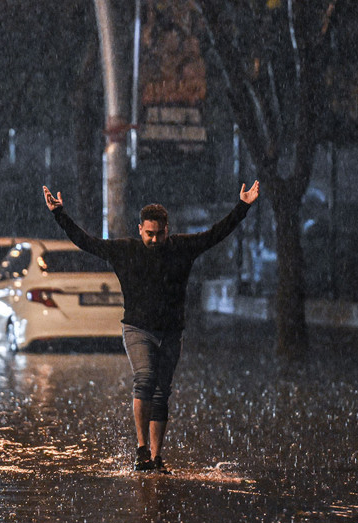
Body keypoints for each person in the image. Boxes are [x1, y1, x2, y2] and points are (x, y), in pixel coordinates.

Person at [43, 180, 259, 472]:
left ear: (167, 229)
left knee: (162, 392)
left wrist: (242, 206)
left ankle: (157, 458)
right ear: (140, 230)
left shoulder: (182, 247)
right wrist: (60, 215)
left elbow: (216, 234)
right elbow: (87, 242)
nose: (154, 240)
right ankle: (142, 449)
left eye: (159, 234)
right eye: (149, 234)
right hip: (137, 329)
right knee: (144, 378)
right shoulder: (125, 250)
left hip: (171, 331)